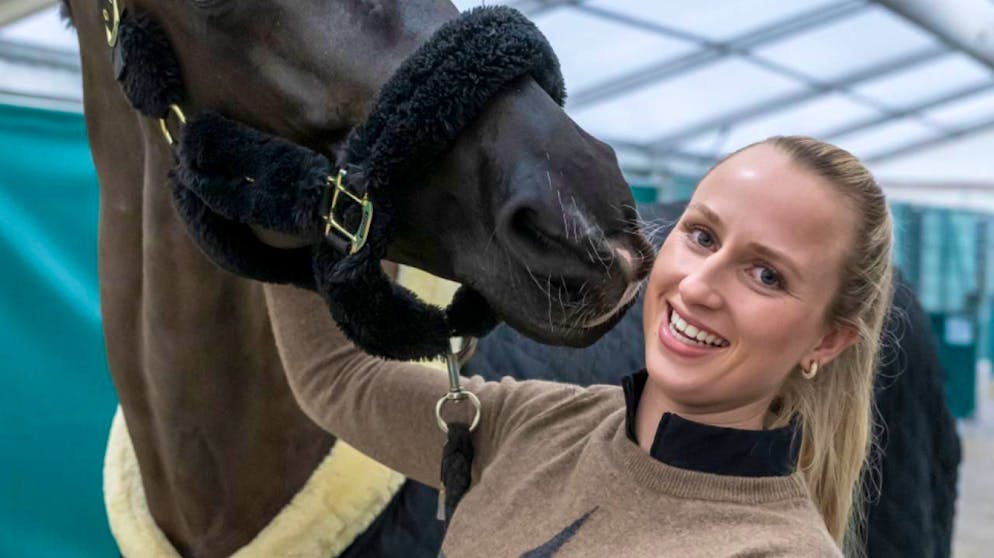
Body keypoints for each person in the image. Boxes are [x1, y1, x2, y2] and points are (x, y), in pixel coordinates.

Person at [262, 135, 893, 557]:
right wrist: (287, 206)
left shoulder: (770, 550)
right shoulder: (537, 425)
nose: (699, 286)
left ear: (828, 340)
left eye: (766, 275)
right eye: (701, 236)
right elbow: (337, 378)